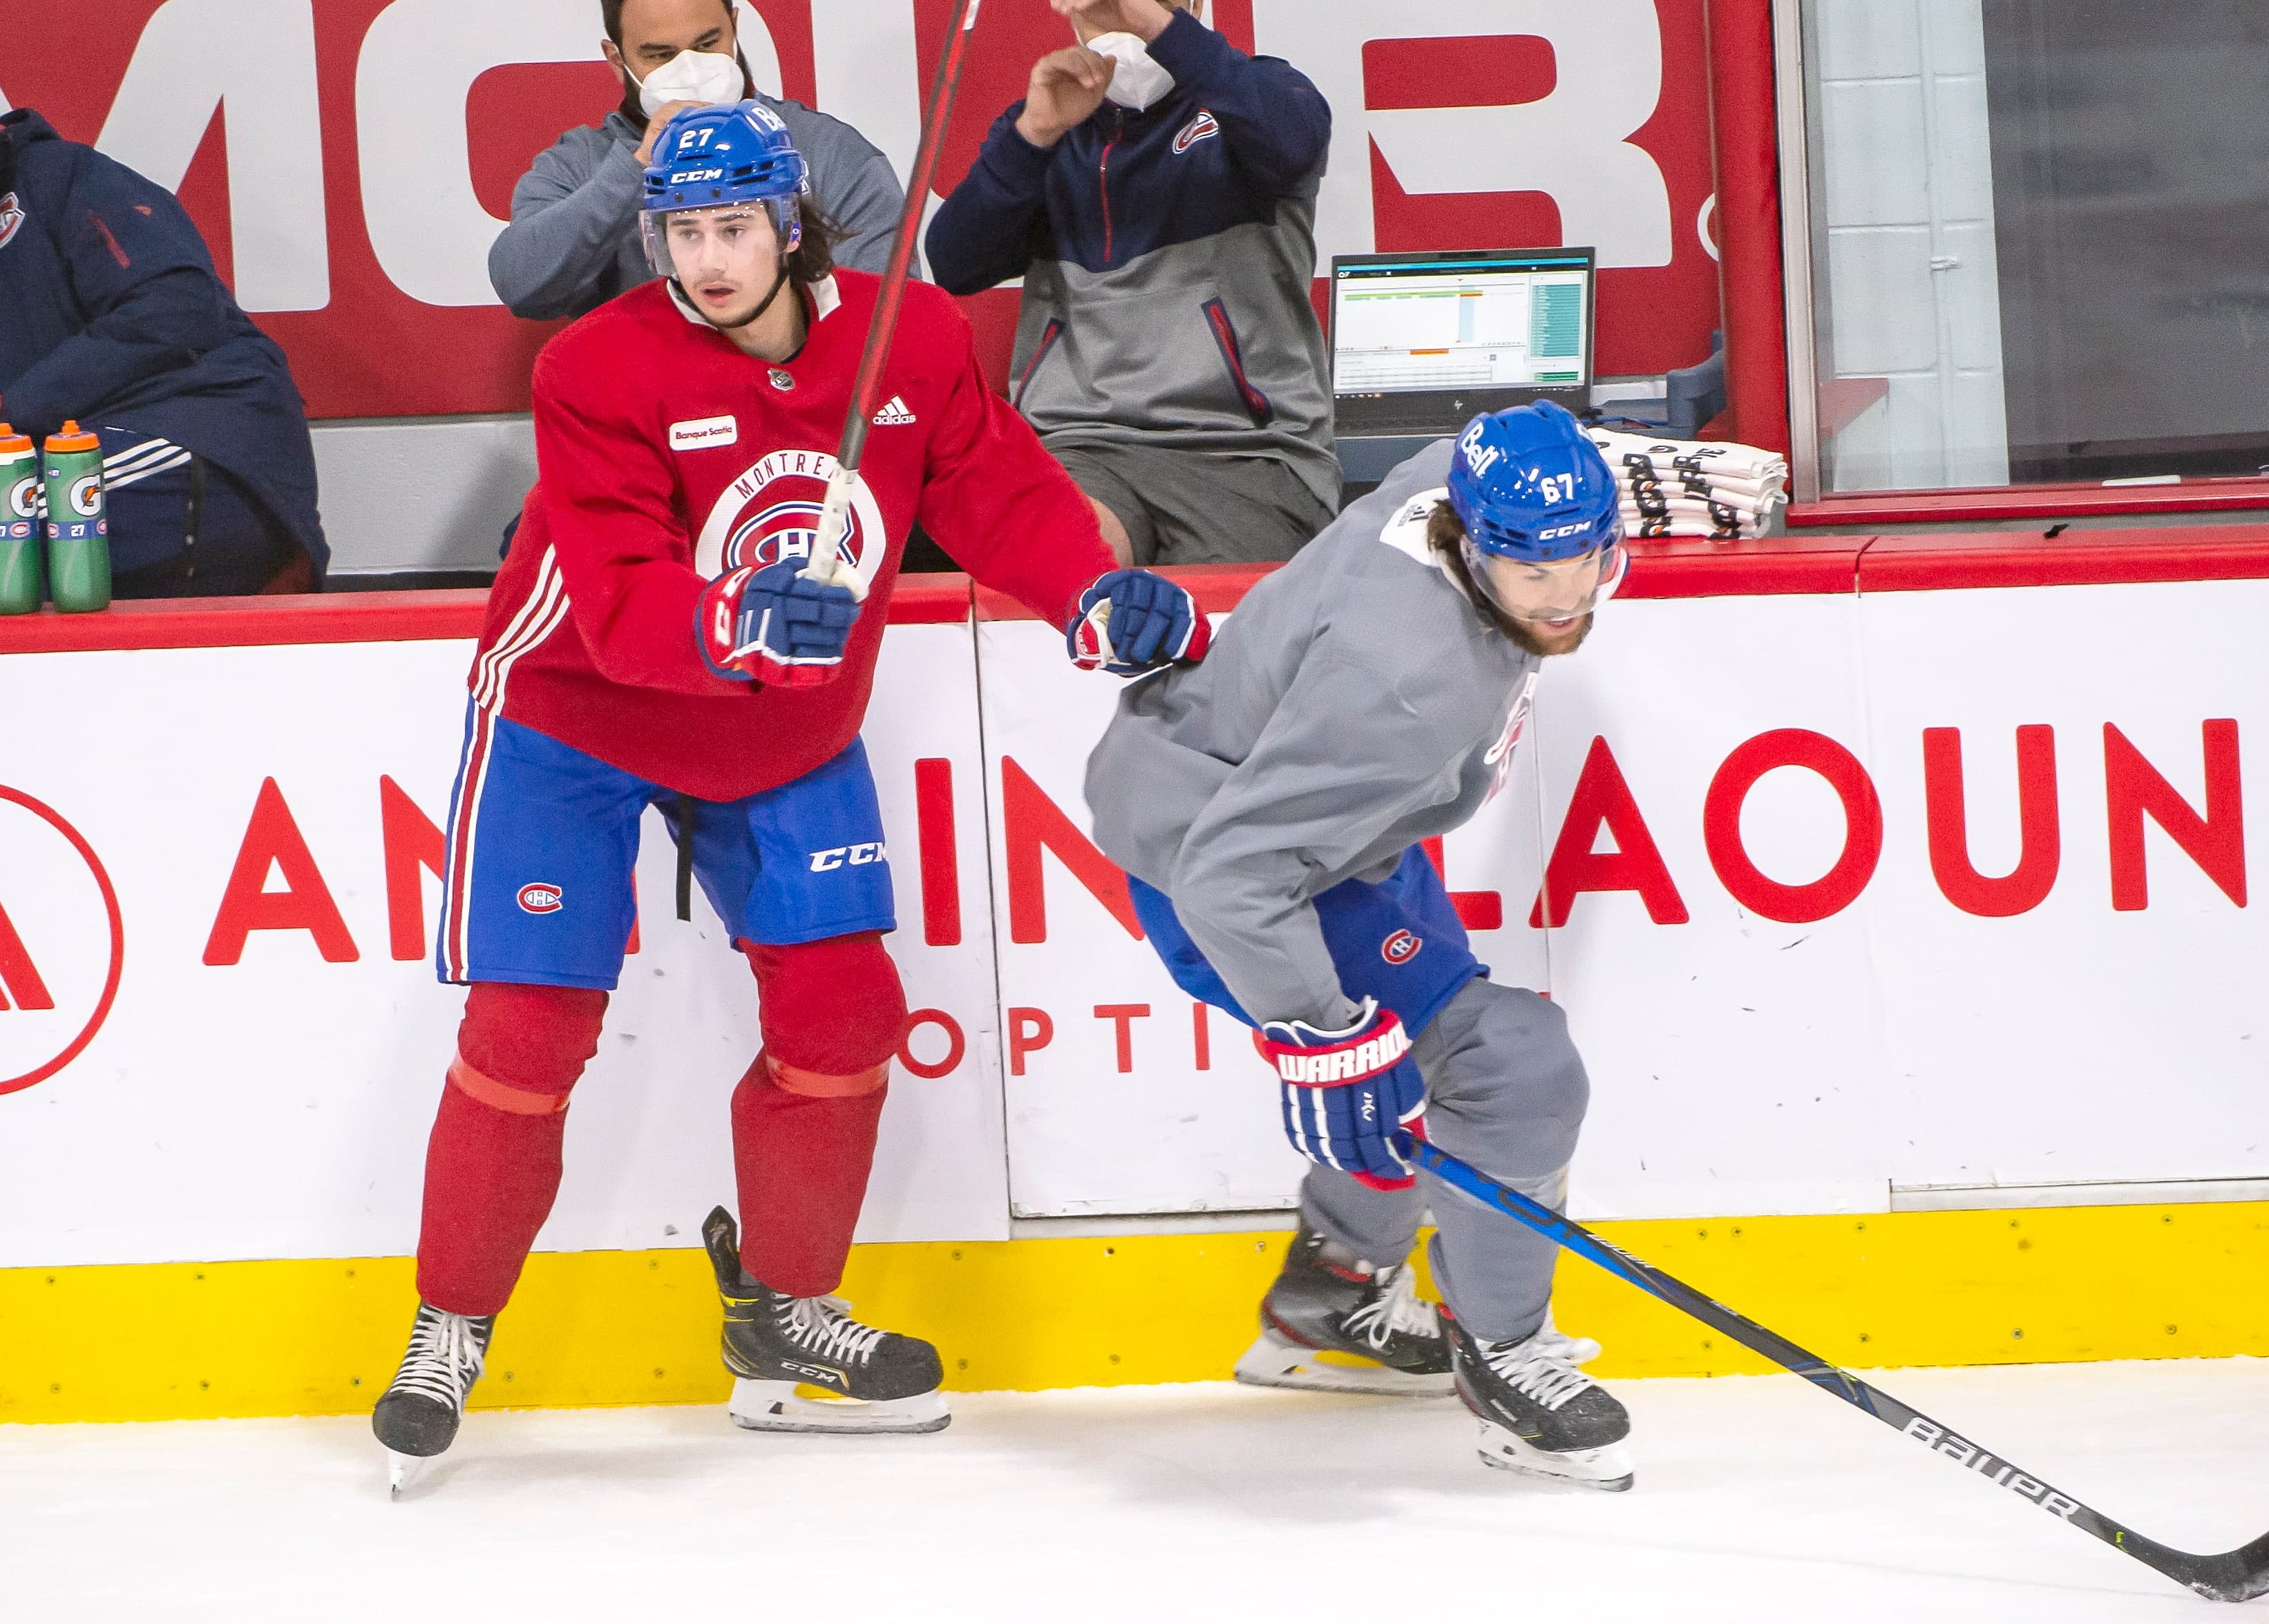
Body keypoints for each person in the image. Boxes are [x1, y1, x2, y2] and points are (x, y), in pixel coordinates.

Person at [370, 101, 1205, 1491]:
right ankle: (447, 1325)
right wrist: (731, 627)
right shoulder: (594, 367)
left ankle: (785, 1313)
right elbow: (622, 586)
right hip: (581, 713)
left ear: (791, 223)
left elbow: (994, 489)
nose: (706, 259)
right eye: (682, 232)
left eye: (733, 228)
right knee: (530, 1022)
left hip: (780, 726)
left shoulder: (913, 339)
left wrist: (1089, 587)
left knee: (841, 1013)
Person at [1082, 399, 1635, 1487]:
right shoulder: (1410, 692)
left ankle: (1331, 1296)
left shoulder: (1443, 477)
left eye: (1589, 560)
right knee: (1508, 1064)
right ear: (1471, 547)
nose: (1566, 601)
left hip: (1327, 822)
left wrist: (1643, 467)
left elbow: (1517, 452)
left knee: (1422, 1062)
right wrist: (1322, 1033)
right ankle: (1506, 1356)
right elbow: (1232, 875)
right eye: (1533, 576)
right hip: (1230, 862)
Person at [926, 0, 1338, 568]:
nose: (1120, 28)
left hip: (1247, 451)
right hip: (1082, 444)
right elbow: (954, 262)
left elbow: (1292, 141)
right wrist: (1035, 133)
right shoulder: (1048, 127)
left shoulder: (1260, 92)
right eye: (1099, 13)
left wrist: (1156, 25)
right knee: (1071, 574)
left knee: (1220, 635)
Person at [0, 110, 325, 595]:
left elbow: (177, 303)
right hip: (70, 456)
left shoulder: (55, 174)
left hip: (196, 430)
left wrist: (15, 407)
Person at [487, 0, 910, 321]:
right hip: (653, 414)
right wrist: (637, 168)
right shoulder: (581, 166)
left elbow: (888, 319)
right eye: (659, 55)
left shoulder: (832, 152)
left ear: (735, 28)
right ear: (618, 61)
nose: (690, 69)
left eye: (708, 44)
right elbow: (523, 286)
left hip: (807, 415)